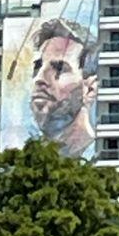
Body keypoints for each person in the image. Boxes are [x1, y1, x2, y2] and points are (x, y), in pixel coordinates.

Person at [29, 16, 99, 158]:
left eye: (59, 69)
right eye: (38, 68)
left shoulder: (97, 156)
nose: (39, 79)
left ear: (90, 89)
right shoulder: (30, 162)